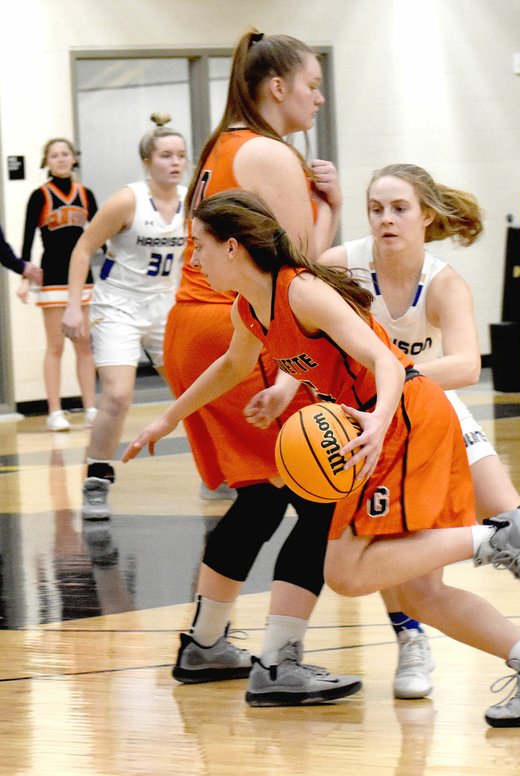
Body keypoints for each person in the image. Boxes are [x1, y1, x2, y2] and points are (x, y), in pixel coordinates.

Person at [123, 189, 520, 728]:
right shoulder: (249, 307)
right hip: (372, 429)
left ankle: (498, 538)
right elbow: (232, 365)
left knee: (345, 572)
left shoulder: (303, 292)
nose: (193, 258)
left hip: (403, 419)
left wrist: (375, 420)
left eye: (198, 246)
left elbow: (386, 364)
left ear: (231, 248)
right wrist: (169, 416)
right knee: (419, 593)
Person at [320, 163, 520, 699]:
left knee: (517, 518)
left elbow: (468, 366)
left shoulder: (443, 281)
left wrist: (392, 376)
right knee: (385, 534)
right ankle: (410, 639)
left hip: (433, 411)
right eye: (376, 209)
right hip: (373, 422)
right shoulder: (342, 267)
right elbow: (302, 312)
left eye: (399, 208)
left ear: (426, 215)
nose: (386, 219)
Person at [158, 30, 360, 705]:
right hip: (233, 326)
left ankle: (206, 642)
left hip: (191, 329)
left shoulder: (221, 146)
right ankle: (281, 661)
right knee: (323, 491)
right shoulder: (268, 151)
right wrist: (332, 204)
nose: (320, 96)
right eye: (312, 84)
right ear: (277, 88)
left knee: (265, 494)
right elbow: (299, 268)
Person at [61, 114, 188, 520]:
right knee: (116, 395)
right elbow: (83, 249)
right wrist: (72, 305)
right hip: (118, 304)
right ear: (147, 161)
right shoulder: (127, 200)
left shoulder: (193, 202)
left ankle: (217, 471)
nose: (175, 162)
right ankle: (96, 480)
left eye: (181, 156)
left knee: (193, 392)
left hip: (167, 304)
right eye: (166, 155)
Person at [20, 138, 98, 432]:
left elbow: (101, 233)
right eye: (55, 155)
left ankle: (90, 407)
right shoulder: (39, 195)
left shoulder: (86, 194)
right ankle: (55, 412)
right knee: (55, 345)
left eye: (65, 154)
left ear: (73, 159)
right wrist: (24, 278)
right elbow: (26, 238)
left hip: (83, 278)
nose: (61, 159)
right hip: (52, 276)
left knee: (84, 344)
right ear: (47, 161)